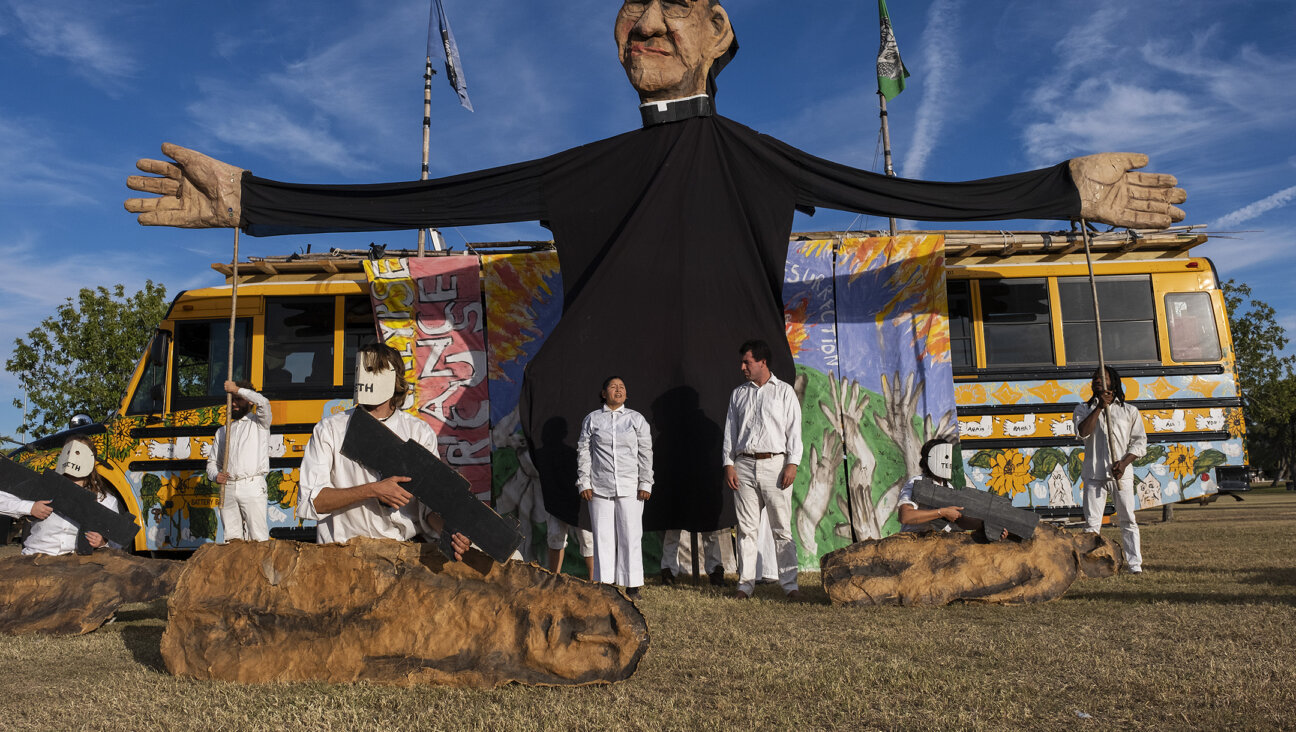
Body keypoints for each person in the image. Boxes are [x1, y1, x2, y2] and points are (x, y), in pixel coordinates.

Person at [125, 1, 1186, 546]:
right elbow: (418, 205)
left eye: (682, 6)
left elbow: (910, 197)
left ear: (720, 37)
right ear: (616, 41)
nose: (653, 22)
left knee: (745, 490)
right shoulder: (588, 168)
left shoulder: (750, 155)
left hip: (722, 402)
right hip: (599, 414)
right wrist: (253, 204)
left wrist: (1062, 188)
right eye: (636, 7)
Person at [298, 343, 470, 559]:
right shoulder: (331, 429)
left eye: (376, 370)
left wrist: (451, 531)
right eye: (364, 369)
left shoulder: (417, 432)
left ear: (394, 378)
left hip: (400, 556)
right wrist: (373, 490)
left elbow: (429, 509)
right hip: (341, 558)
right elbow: (313, 502)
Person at [722, 340, 802, 600]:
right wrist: (728, 464)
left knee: (781, 528)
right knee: (746, 529)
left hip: (775, 465)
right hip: (743, 464)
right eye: (742, 362)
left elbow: (794, 431)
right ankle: (745, 585)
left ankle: (790, 586)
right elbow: (730, 432)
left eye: (747, 362)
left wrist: (792, 463)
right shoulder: (738, 393)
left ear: (762, 362)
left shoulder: (784, 392)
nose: (742, 367)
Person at [577, 376, 654, 599]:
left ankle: (632, 585)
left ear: (626, 394)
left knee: (630, 534)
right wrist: (584, 482)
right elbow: (583, 452)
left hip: (631, 485)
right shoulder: (592, 419)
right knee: (602, 535)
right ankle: (605, 584)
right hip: (600, 486)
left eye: (622, 387)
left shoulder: (635, 419)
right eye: (613, 387)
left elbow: (645, 452)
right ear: (604, 393)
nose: (618, 390)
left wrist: (645, 482)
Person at [1074, 365, 1148, 574]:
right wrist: (1098, 407)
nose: (1097, 380)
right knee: (1091, 525)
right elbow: (1083, 433)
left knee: (1127, 520)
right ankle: (1089, 566)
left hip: (1121, 474)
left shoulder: (1129, 411)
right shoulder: (1083, 409)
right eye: (1095, 378)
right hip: (1094, 474)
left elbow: (1140, 443)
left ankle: (1135, 566)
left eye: (1102, 378)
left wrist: (1124, 463)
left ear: (1113, 382)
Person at [0, 436, 121, 556]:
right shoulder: (42, 486)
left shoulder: (105, 500)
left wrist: (103, 542)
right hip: (35, 556)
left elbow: (119, 540)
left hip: (75, 564)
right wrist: (30, 507)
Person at [206, 379, 272, 542]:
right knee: (231, 538)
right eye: (232, 399)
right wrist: (215, 476)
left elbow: (263, 402)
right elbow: (212, 463)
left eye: (238, 399)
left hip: (252, 485)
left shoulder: (260, 423)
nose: (234, 403)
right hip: (228, 487)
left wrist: (237, 389)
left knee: (258, 538)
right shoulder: (222, 431)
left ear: (249, 401)